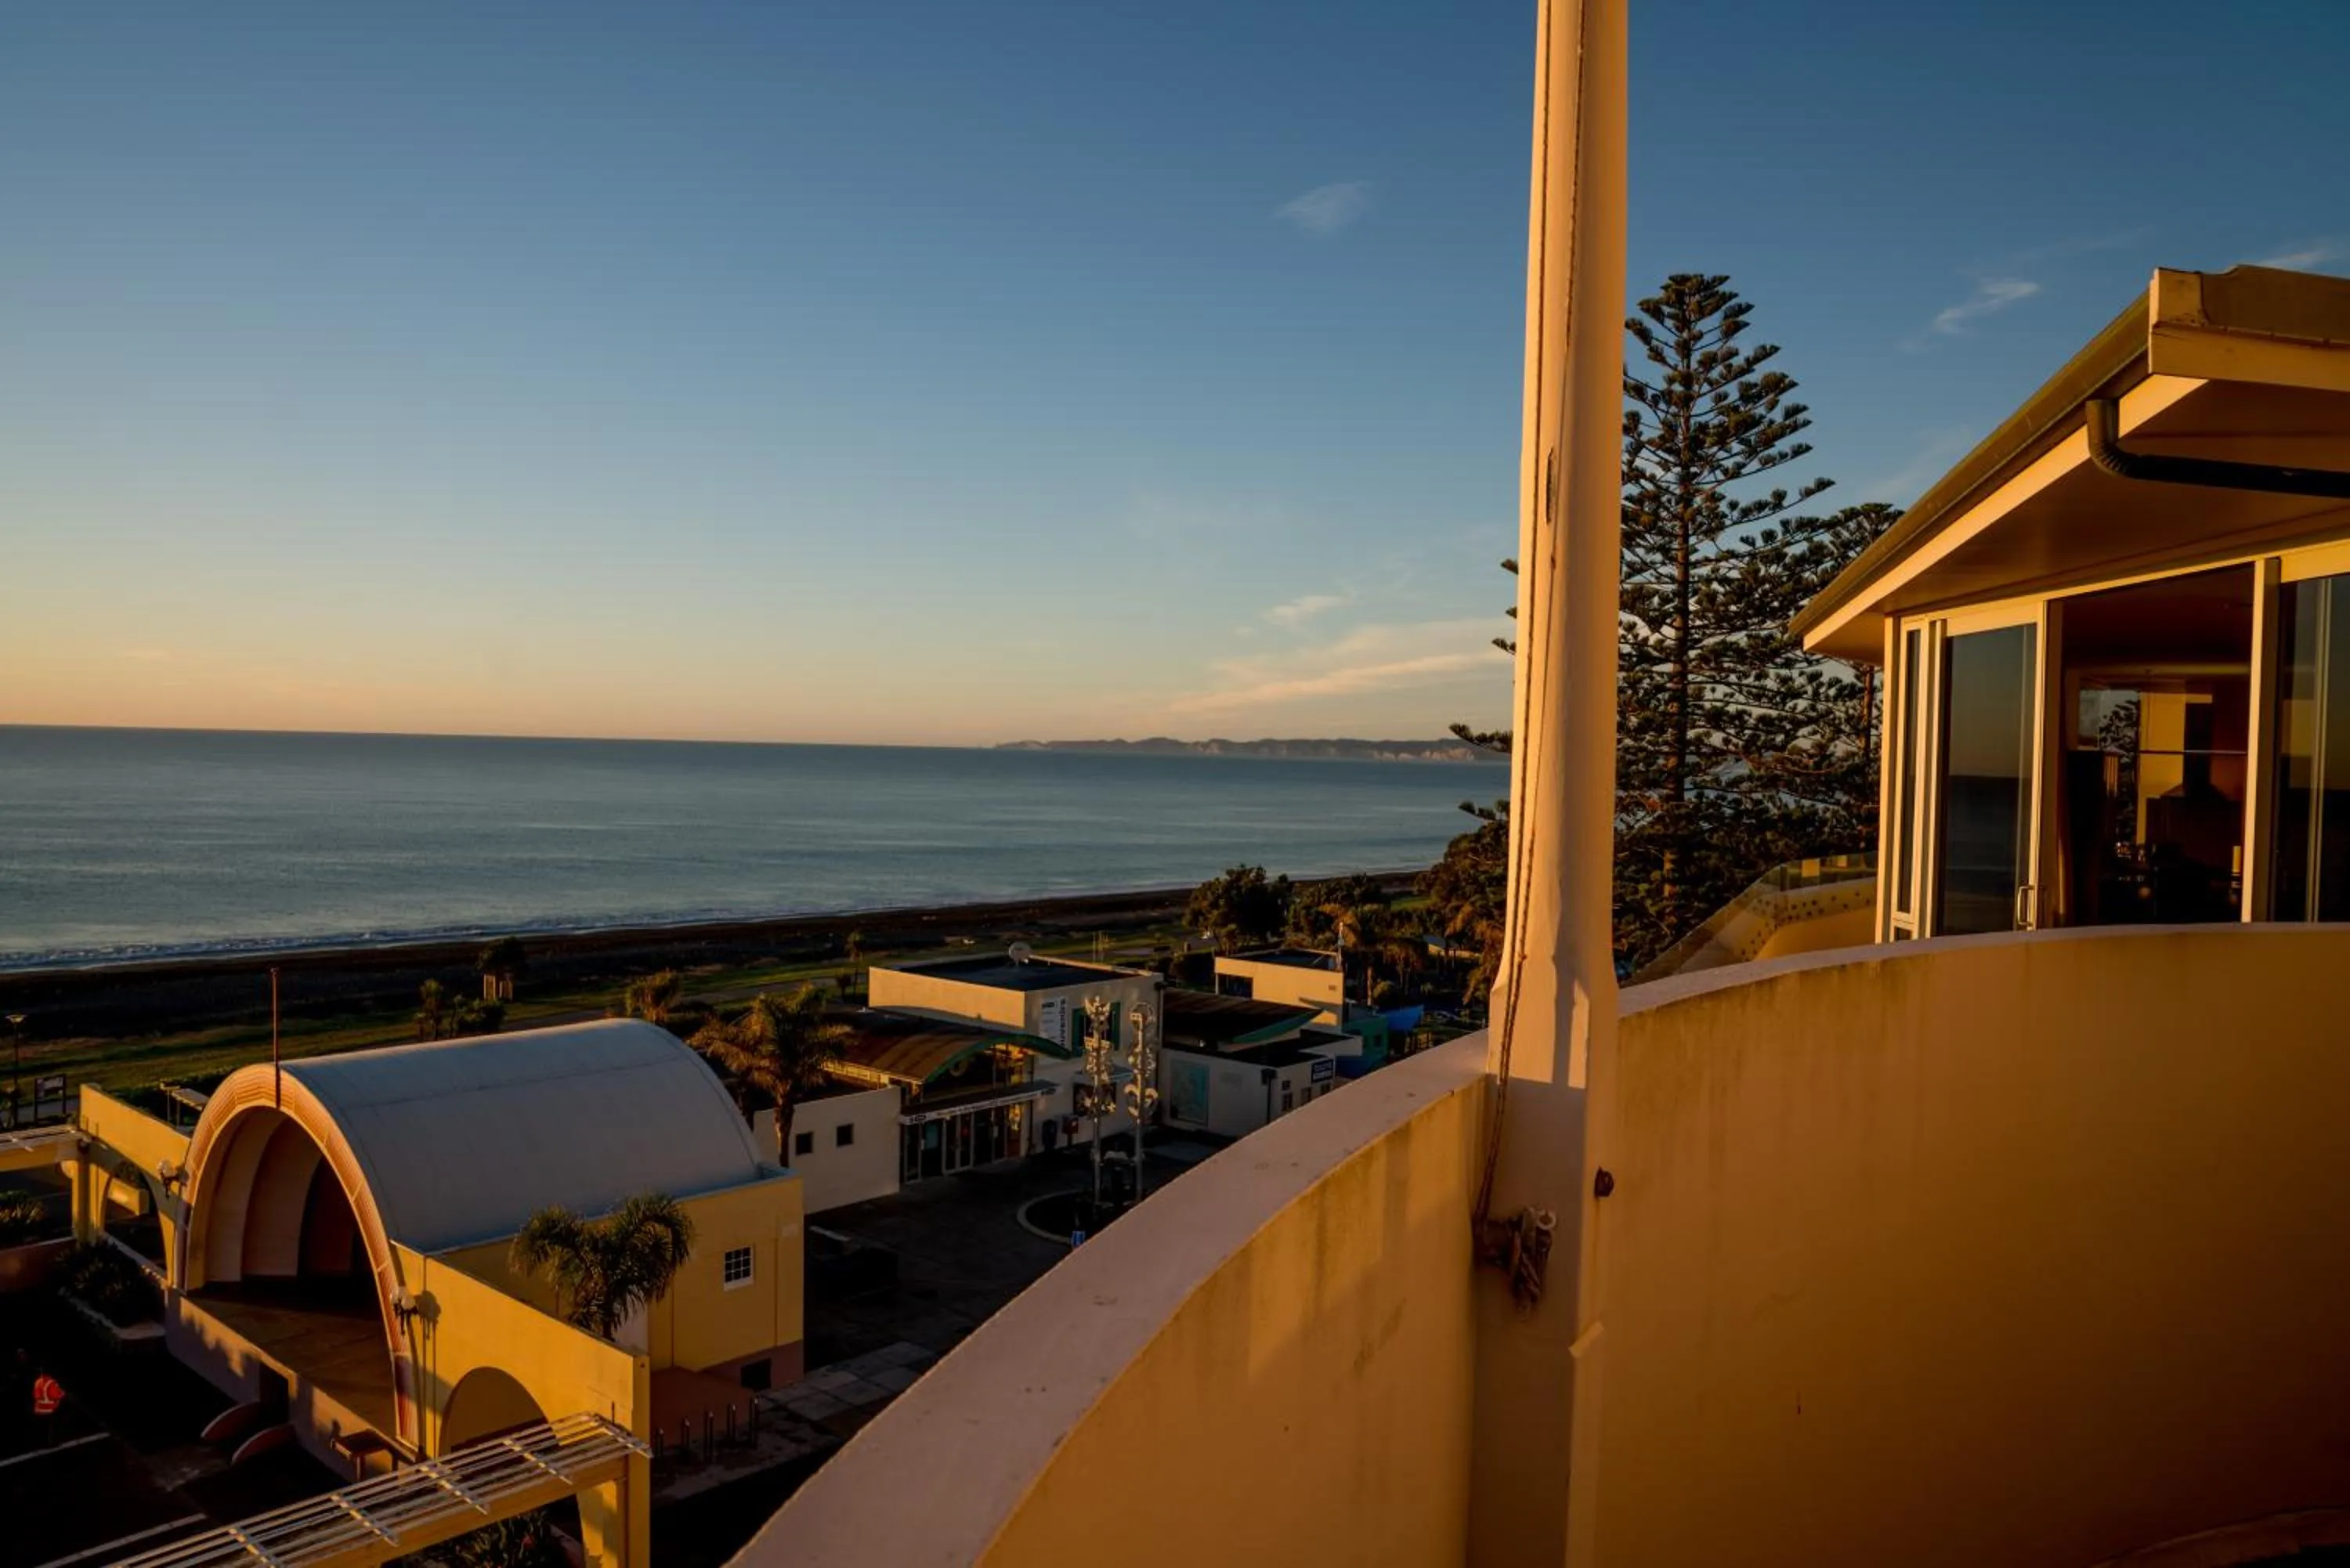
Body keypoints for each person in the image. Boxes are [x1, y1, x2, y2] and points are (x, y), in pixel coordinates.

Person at [31, 1365, 63, 1446]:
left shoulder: (38, 1381)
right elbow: (56, 1395)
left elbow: (36, 1395)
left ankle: (41, 1443)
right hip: (49, 1410)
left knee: (41, 1429)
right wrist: (63, 1393)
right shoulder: (51, 1382)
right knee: (51, 1429)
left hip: (39, 1409)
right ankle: (51, 1443)